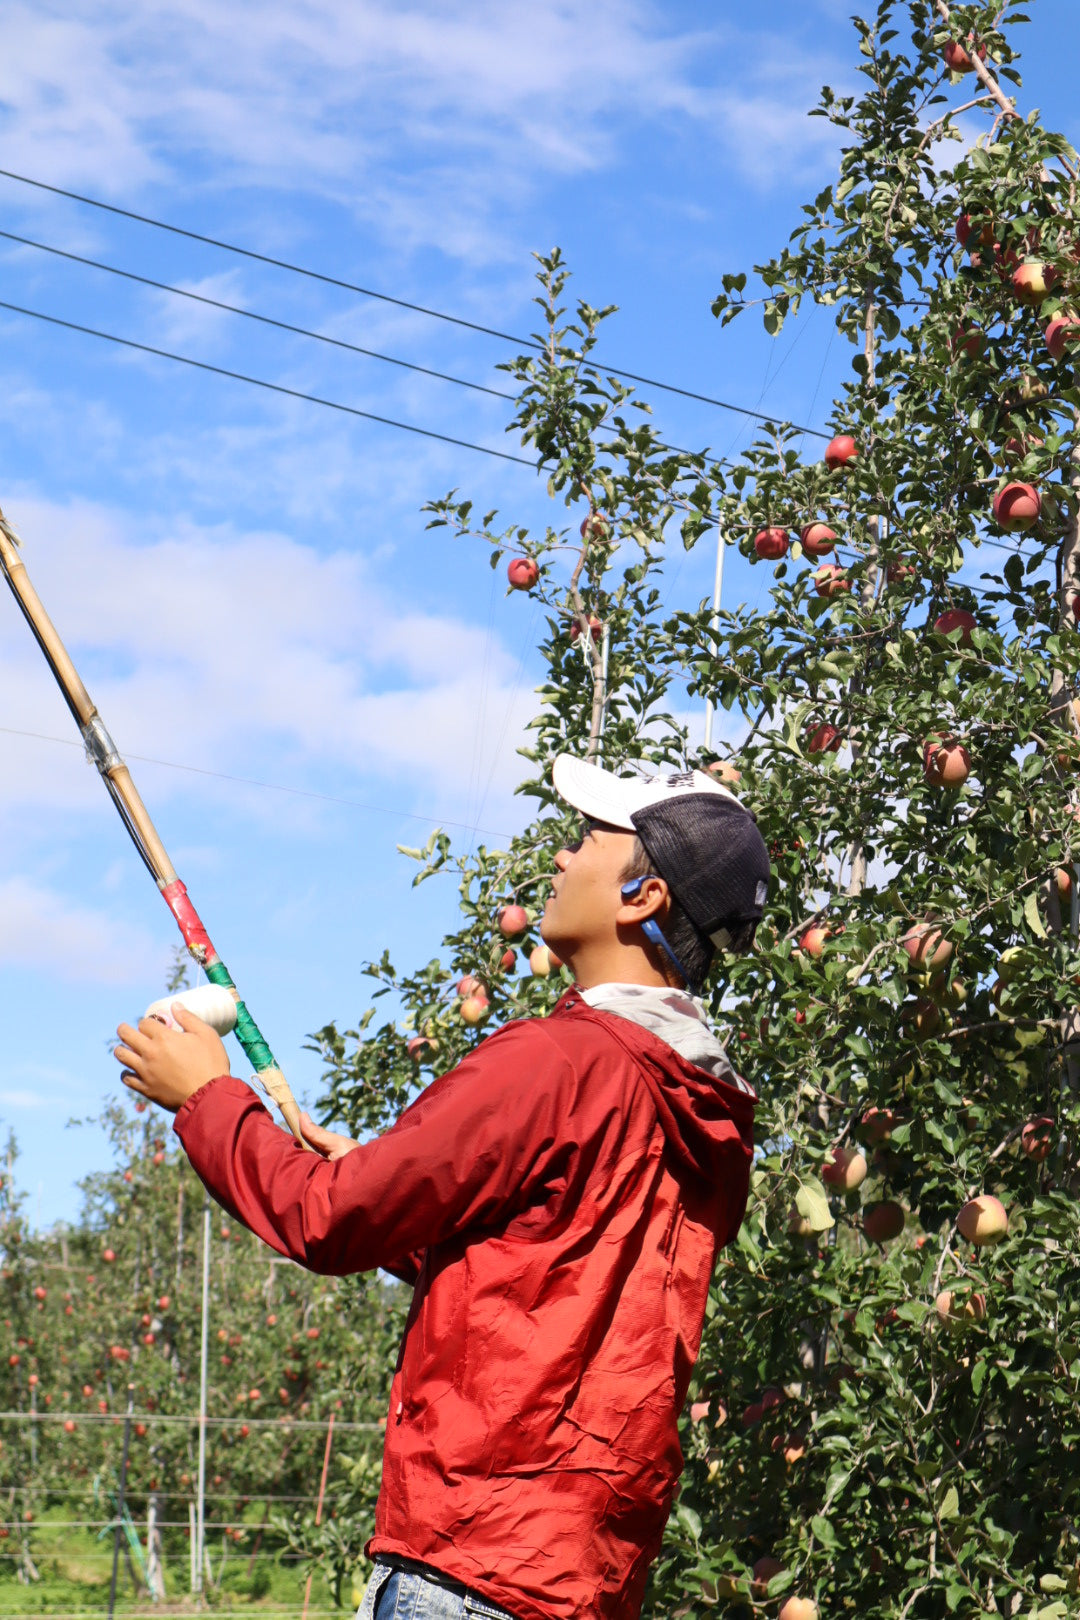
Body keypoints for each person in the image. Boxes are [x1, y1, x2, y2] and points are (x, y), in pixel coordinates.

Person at [114, 755, 771, 1620]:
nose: (562, 857)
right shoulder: (704, 1110)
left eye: (587, 840)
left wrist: (206, 1098)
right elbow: (545, 1277)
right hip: (582, 1577)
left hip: (471, 1559)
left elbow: (325, 1219)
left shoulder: (556, 1061)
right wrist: (396, 1192)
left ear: (641, 896)